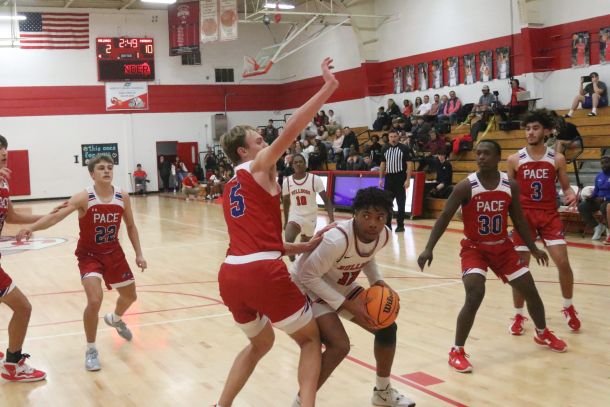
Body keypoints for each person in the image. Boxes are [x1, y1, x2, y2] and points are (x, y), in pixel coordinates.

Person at [215, 58, 338, 407]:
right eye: (259, 140)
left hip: (231, 274)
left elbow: (257, 241)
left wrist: (300, 248)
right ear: (243, 151)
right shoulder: (257, 166)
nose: (265, 142)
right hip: (262, 273)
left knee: (261, 343)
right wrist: (328, 88)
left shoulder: (230, 185)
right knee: (310, 341)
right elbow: (291, 130)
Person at [418, 140, 567, 374]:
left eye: (486, 153)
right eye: (478, 153)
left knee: (531, 292)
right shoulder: (466, 186)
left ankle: (542, 333)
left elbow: (519, 219)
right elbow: (445, 216)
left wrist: (533, 248)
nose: (481, 157)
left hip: (503, 248)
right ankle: (456, 351)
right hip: (474, 248)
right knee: (475, 293)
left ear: (498, 157)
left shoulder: (510, 185)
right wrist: (429, 248)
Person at [17, 154, 147, 372]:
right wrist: (32, 227)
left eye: (110, 167)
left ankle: (115, 319)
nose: (107, 171)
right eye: (101, 168)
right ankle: (91, 349)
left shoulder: (122, 196)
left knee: (130, 296)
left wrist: (139, 254)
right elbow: (56, 217)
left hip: (114, 253)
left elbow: (131, 226)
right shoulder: (84, 197)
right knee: (95, 300)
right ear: (92, 174)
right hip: (90, 256)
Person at [290, 187, 414, 407]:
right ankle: (301, 402)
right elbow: (307, 275)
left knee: (386, 328)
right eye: (366, 215)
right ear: (355, 213)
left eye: (380, 217)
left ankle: (382, 392)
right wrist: (347, 305)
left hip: (337, 282)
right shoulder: (336, 240)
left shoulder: (383, 235)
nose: (373, 223)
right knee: (339, 345)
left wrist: (377, 281)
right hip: (305, 286)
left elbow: (367, 256)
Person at [507, 109, 580, 335]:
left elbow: (566, 186)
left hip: (549, 215)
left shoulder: (557, 159)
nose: (530, 132)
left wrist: (570, 194)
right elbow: (508, 192)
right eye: (528, 128)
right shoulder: (514, 159)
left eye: (535, 128)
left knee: (563, 263)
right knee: (520, 269)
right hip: (524, 217)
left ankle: (568, 307)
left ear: (546, 131)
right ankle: (518, 314)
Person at [0, 135, 47, 382]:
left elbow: (12, 217)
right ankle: (12, 365)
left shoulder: (3, 182)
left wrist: (47, 216)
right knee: (23, 308)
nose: (3, 153)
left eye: (5, 149)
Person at [282, 154, 334, 261]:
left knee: (305, 247)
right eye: (295, 162)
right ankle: (293, 263)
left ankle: (300, 262)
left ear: (305, 164)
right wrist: (286, 220)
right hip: (295, 215)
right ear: (292, 165)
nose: (298, 164)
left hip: (310, 217)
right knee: (288, 240)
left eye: (300, 162)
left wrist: (331, 219)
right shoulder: (287, 182)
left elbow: (326, 200)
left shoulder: (315, 179)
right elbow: (286, 202)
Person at [379, 131, 414, 232]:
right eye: (391, 136)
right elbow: (382, 164)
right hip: (389, 178)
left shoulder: (404, 148)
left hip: (400, 177)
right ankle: (387, 225)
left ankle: (400, 225)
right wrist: (381, 178)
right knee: (387, 203)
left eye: (395, 136)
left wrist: (408, 179)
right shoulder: (384, 148)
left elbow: (409, 164)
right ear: (388, 137)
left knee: (401, 203)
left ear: (398, 137)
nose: (393, 138)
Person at [577, 155, 610, 240]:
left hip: (608, 201)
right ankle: (597, 227)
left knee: (604, 207)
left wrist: (604, 198)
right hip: (599, 200)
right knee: (582, 206)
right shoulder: (599, 176)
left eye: (606, 162)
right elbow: (596, 190)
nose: (604, 165)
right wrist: (591, 197)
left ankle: (608, 231)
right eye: (602, 163)